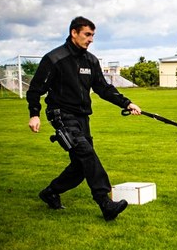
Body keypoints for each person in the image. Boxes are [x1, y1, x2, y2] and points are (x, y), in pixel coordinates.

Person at [27, 16, 141, 221]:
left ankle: (51, 192)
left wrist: (126, 103)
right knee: (86, 153)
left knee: (80, 166)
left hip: (82, 118)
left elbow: (103, 88)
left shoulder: (91, 60)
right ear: (74, 33)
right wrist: (34, 114)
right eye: (87, 34)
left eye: (93, 35)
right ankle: (105, 202)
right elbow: (35, 89)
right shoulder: (54, 58)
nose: (91, 39)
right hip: (61, 115)